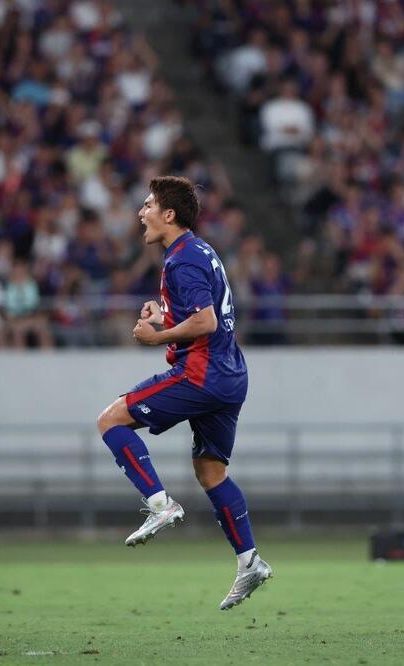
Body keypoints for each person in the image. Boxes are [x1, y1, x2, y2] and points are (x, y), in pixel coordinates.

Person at [95, 176, 272, 610]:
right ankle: (249, 561)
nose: (142, 212)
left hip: (202, 373)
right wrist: (165, 315)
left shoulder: (182, 260)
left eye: (149, 205)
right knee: (211, 472)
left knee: (111, 419)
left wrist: (156, 336)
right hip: (230, 374)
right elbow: (202, 313)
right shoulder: (198, 250)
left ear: (169, 214)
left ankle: (160, 505)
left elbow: (206, 321)